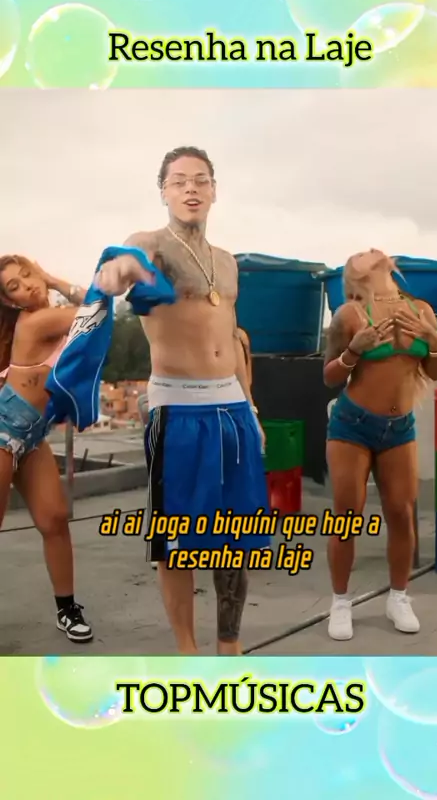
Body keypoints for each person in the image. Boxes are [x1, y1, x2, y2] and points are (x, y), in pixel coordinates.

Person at [95, 145, 269, 656]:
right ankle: (187, 653)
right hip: (179, 409)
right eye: (178, 181)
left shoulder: (227, 263)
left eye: (200, 180)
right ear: (164, 192)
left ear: (214, 190)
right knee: (177, 542)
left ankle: (229, 645)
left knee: (237, 535)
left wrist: (251, 407)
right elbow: (127, 261)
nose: (190, 188)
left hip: (232, 408)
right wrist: (117, 272)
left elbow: (233, 336)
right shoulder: (151, 244)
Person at [323, 248, 437, 641]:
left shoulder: (420, 310)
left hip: (399, 427)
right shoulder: (349, 315)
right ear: (353, 273)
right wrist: (354, 350)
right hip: (352, 426)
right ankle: (340, 603)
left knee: (402, 513)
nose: (371, 250)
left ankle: (399, 597)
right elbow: (329, 376)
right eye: (361, 252)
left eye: (375, 249)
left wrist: (434, 341)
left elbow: (435, 370)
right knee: (346, 515)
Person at [0, 255, 93, 641]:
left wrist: (49, 279)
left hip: (32, 436)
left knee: (54, 519)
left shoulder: (44, 318)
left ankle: (67, 609)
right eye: (15, 286)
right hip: (3, 431)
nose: (28, 285)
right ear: (11, 301)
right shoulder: (37, 321)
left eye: (28, 275)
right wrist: (53, 280)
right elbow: (95, 309)